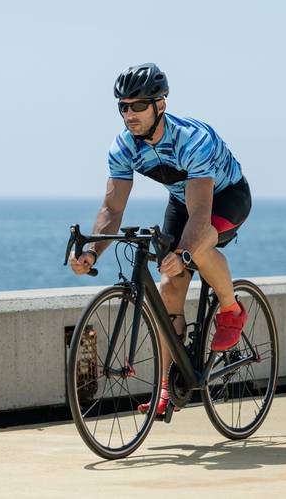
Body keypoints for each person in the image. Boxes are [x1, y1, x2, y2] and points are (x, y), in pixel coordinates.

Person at [68, 63, 252, 418]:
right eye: (123, 106)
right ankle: (170, 386)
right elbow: (112, 208)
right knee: (169, 287)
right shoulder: (123, 147)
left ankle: (231, 308)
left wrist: (183, 253)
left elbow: (201, 215)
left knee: (196, 250)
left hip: (226, 197)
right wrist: (92, 252)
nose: (129, 114)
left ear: (160, 105)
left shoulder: (192, 139)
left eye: (138, 105)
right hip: (183, 200)